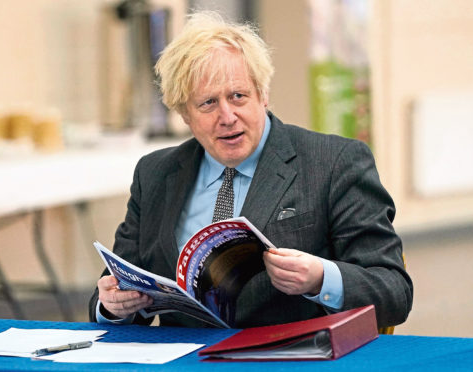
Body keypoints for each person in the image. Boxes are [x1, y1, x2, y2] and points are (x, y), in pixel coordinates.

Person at [89, 11, 413, 328]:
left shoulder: (335, 162)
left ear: (264, 95)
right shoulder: (155, 173)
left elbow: (393, 291)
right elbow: (116, 283)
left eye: (238, 96)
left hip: (287, 358)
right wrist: (112, 305)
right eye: (208, 103)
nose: (227, 116)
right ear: (184, 114)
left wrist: (320, 279)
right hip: (181, 360)